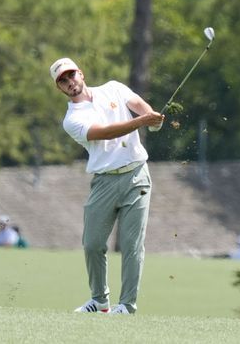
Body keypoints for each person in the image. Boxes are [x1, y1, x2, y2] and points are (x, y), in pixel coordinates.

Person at [50, 57, 164, 315]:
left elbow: (139, 105)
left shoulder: (114, 88)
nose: (70, 83)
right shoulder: (72, 120)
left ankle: (126, 305)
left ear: (81, 73)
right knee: (92, 243)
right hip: (104, 181)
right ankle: (100, 301)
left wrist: (151, 116)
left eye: (71, 76)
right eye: (63, 81)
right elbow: (106, 132)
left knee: (132, 244)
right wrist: (142, 122)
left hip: (137, 176)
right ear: (60, 88)